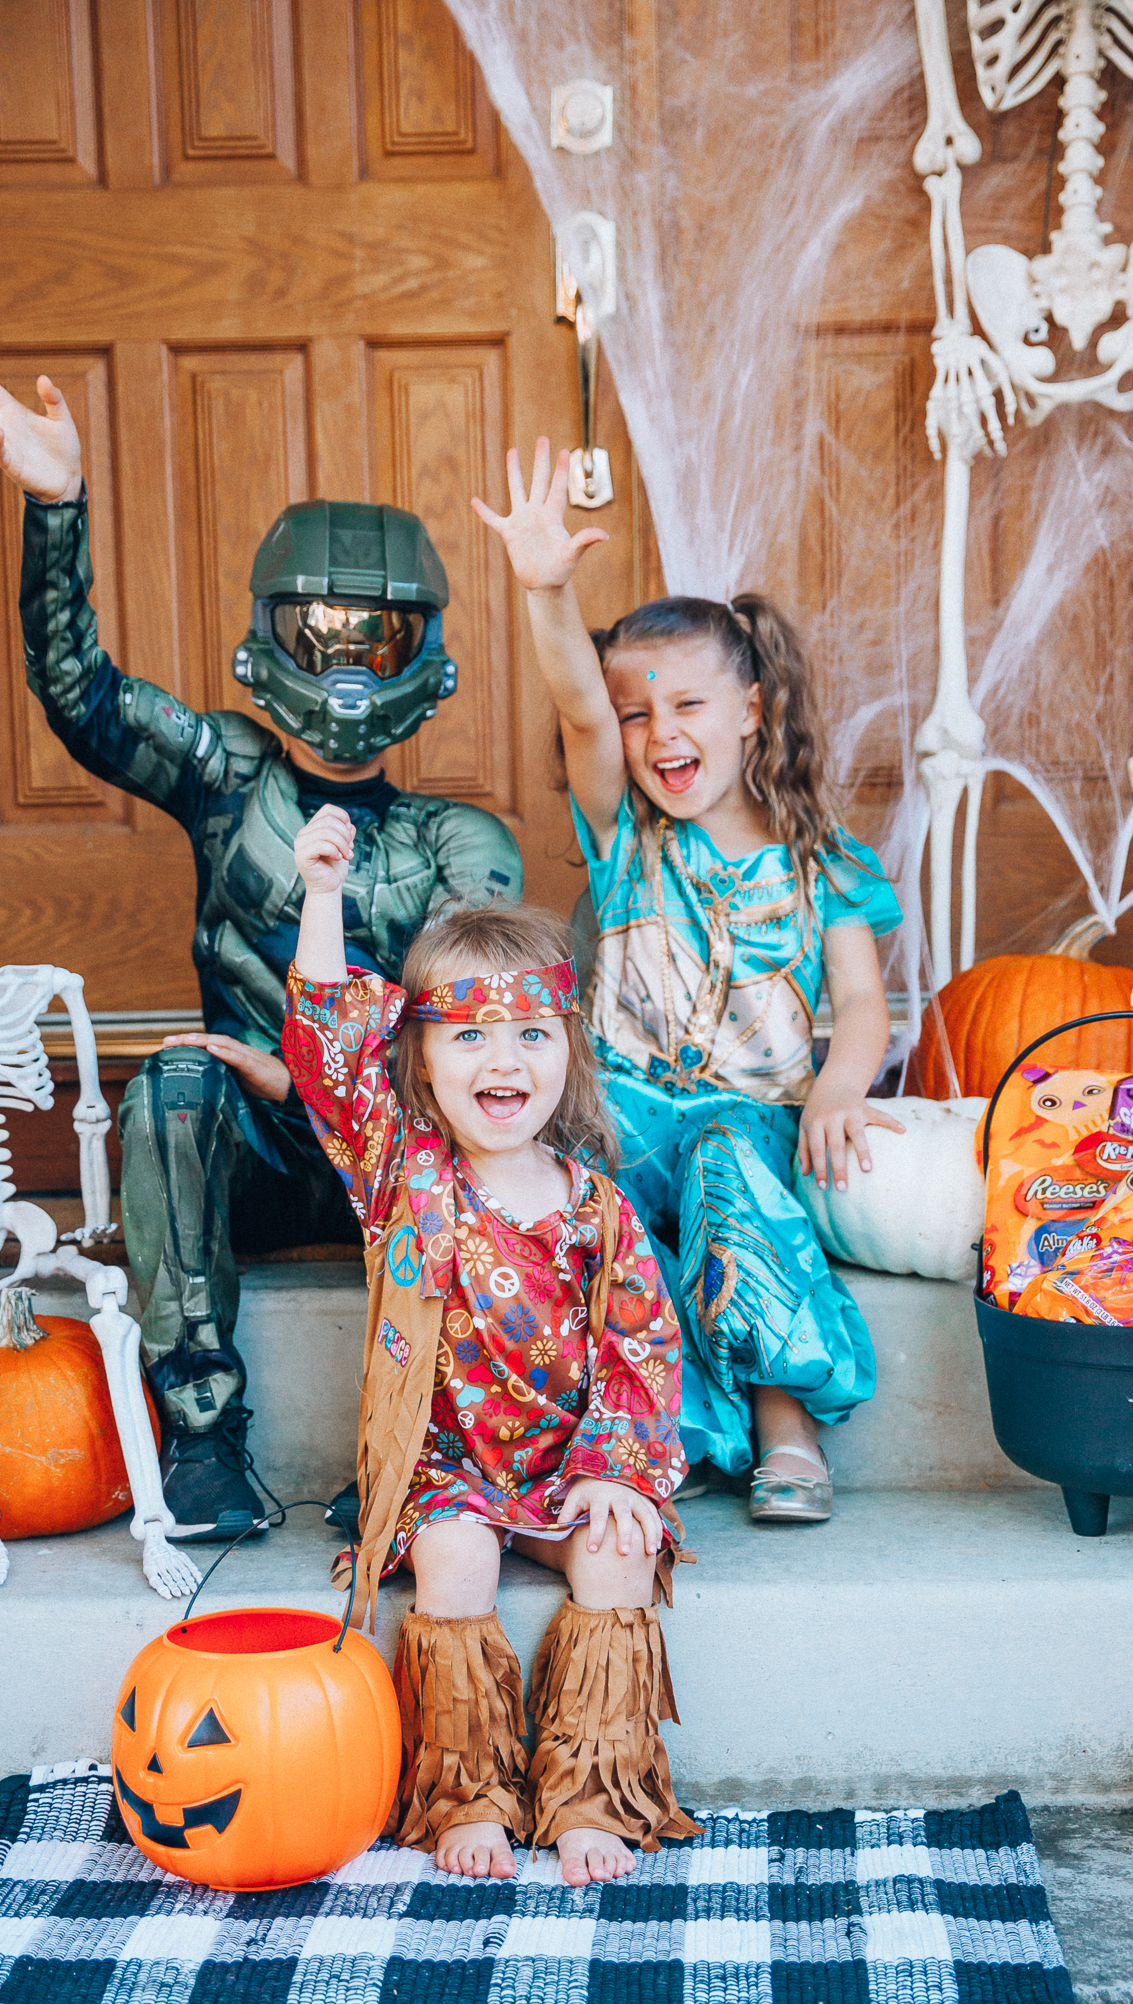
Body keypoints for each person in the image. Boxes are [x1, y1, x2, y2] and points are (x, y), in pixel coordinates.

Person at [0, 359, 522, 1545]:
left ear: (424, 652)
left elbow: (483, 1024)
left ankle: (425, 1433)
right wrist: (58, 509)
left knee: (491, 1105)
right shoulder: (225, 773)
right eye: (324, 631)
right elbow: (80, 692)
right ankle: (200, 1438)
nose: (349, 662)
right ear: (274, 635)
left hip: (396, 1155)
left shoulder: (463, 840)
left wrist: (313, 1075)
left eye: (381, 634)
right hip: (246, 1154)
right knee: (176, 1076)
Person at [473, 440, 904, 1524]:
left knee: (726, 1181)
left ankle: (781, 1422)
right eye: (637, 713)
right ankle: (571, 1431)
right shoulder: (625, 833)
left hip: (746, 1123)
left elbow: (860, 1001)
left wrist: (842, 1089)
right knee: (571, 1194)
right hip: (616, 1111)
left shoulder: (823, 863)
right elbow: (576, 697)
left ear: (753, 707)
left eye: (690, 707)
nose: (661, 732)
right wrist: (547, 587)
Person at [277, 802, 698, 1886]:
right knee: (456, 1558)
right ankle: (466, 1791)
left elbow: (642, 1353)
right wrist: (323, 893)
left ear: (568, 1047)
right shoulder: (400, 1173)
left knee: (616, 1550)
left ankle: (593, 1792)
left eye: (528, 1033)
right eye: (466, 1032)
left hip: (567, 1468)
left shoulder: (598, 1208)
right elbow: (327, 1042)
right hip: (444, 1470)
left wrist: (619, 1473)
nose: (500, 1057)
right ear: (417, 1057)